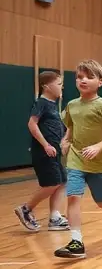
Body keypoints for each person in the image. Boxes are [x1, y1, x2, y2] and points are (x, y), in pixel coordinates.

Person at [53, 59, 102, 260]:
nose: (83, 80)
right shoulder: (72, 106)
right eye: (80, 77)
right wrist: (65, 141)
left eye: (89, 77)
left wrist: (98, 147)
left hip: (100, 163)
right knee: (73, 197)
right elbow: (70, 127)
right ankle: (76, 242)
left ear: (100, 81)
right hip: (76, 161)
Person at [15, 70, 69, 233]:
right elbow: (32, 124)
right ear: (47, 86)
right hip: (44, 152)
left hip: (54, 152)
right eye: (59, 84)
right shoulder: (42, 103)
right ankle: (26, 208)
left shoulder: (53, 105)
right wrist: (46, 145)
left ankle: (54, 217)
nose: (62, 88)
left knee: (61, 181)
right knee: (52, 183)